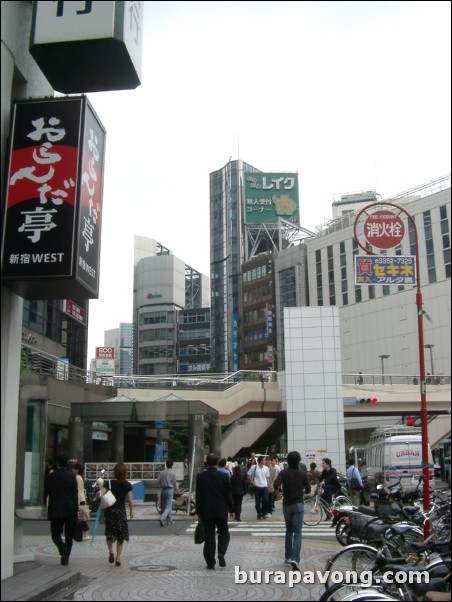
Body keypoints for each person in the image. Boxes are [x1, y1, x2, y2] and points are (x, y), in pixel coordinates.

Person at [195, 453, 235, 570]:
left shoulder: (201, 477)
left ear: (206, 463)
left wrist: (198, 510)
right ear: (217, 463)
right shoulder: (224, 476)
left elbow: (199, 495)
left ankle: (210, 562)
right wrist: (232, 509)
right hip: (221, 509)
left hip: (206, 511)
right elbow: (228, 494)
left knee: (209, 536)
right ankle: (221, 552)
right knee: (224, 532)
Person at [273, 451, 311, 572]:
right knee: (298, 532)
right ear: (298, 461)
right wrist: (302, 491)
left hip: (287, 505)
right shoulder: (302, 474)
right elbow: (309, 489)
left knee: (289, 530)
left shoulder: (284, 473)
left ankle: (288, 556)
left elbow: (275, 484)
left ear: (288, 461)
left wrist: (279, 491)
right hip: (298, 504)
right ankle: (295, 558)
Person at [44, 453, 78, 566]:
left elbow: (45, 492)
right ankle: (66, 555)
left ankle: (62, 548)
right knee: (69, 534)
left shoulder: (51, 476)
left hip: (56, 508)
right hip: (70, 509)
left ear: (57, 463)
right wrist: (76, 509)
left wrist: (44, 505)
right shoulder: (71, 476)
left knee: (55, 533)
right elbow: (75, 494)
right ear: (67, 463)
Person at [100, 462, 134, 567]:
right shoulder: (127, 485)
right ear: (125, 473)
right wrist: (131, 511)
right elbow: (130, 501)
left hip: (109, 511)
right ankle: (118, 558)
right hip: (121, 512)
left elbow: (100, 494)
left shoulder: (109, 483)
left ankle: (111, 552)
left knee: (110, 532)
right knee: (121, 534)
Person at [70, 462, 91, 540]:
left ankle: (86, 532)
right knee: (80, 517)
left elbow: (77, 490)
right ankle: (85, 533)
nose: (72, 470)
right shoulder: (79, 477)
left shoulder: (77, 478)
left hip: (79, 500)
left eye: (73, 469)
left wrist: (76, 501)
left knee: (80, 517)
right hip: (81, 499)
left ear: (77, 470)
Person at [157, 460, 179, 526]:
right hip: (169, 489)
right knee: (169, 506)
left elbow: (158, 481)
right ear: (172, 465)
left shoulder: (162, 472)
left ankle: (169, 520)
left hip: (163, 490)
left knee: (164, 506)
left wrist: (161, 485)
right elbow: (174, 483)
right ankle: (162, 518)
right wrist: (177, 490)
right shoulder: (173, 473)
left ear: (166, 465)